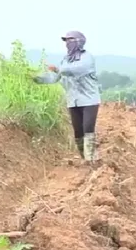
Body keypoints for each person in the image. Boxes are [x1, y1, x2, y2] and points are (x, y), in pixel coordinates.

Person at [33, 31, 102, 162]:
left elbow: (76, 70)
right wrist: (36, 79)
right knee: (78, 132)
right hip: (73, 100)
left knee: (88, 128)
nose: (67, 43)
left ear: (79, 42)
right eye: (66, 41)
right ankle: (84, 157)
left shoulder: (87, 57)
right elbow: (55, 78)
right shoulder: (65, 60)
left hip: (89, 99)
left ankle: (91, 159)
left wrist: (58, 69)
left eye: (70, 40)